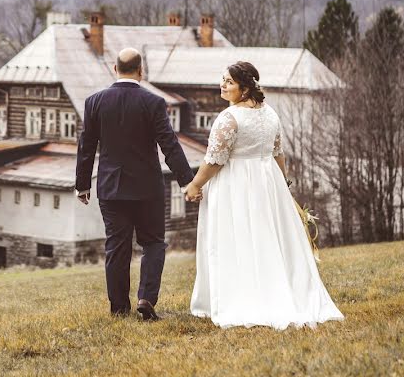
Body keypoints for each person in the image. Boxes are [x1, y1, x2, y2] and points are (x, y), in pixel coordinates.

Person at [185, 61, 344, 329]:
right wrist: (281, 184)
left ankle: (241, 297)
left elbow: (215, 160)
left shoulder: (229, 118)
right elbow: (278, 154)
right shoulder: (270, 113)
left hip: (236, 184)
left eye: (229, 82)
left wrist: (195, 185)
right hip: (267, 181)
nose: (222, 85)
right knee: (267, 236)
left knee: (236, 237)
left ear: (245, 89)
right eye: (223, 79)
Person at [76, 48, 197, 320]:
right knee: (153, 243)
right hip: (147, 188)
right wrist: (187, 181)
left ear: (114, 68)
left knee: (116, 247)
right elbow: (169, 144)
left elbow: (86, 146)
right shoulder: (153, 102)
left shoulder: (94, 102)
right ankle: (146, 298)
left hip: (110, 187)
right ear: (141, 71)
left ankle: (119, 309)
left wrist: (82, 184)